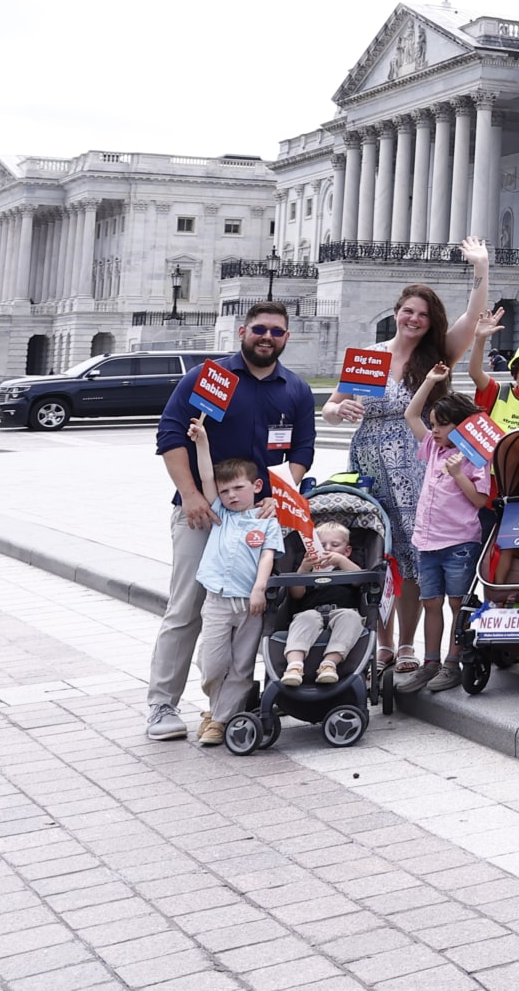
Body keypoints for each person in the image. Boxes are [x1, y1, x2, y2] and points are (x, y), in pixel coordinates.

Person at [146, 299, 318, 742]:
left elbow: (300, 450)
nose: (267, 337)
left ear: (286, 338)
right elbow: (170, 434)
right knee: (186, 610)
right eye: (260, 329)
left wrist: (280, 498)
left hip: (260, 522)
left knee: (254, 612)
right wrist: (190, 495)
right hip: (205, 516)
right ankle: (162, 704)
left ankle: (228, 706)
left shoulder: (294, 389)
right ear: (243, 331)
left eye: (276, 331)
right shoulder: (210, 377)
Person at [331, 241, 494, 684]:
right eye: (408, 311)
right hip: (369, 457)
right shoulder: (371, 354)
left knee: (412, 553)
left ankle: (407, 643)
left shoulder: (438, 354)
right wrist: (338, 411)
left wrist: (481, 270)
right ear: (397, 310)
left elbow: (471, 316)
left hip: (420, 459)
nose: (414, 320)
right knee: (376, 549)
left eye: (423, 314)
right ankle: (380, 644)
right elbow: (331, 406)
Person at [184, 423, 283, 747]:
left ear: (256, 486)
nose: (230, 495)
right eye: (226, 492)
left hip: (250, 606)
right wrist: (203, 442)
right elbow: (207, 478)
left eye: (238, 488)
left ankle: (220, 720)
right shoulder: (220, 514)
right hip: (217, 601)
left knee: (241, 666)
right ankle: (215, 708)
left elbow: (268, 556)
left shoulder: (266, 520)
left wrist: (259, 589)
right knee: (211, 663)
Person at [406, 366, 493, 692]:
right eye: (434, 425)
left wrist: (459, 475)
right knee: (431, 602)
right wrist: (429, 381)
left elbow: (481, 500)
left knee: (457, 602)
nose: (436, 430)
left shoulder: (474, 457)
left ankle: (453, 662)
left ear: (463, 425)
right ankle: (430, 661)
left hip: (459, 542)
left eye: (443, 424)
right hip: (426, 541)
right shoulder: (433, 447)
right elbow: (411, 415)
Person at [278, 523, 366, 688]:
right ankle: (294, 667)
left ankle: (329, 664)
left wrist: (341, 560)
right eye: (321, 545)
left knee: (351, 618)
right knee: (304, 620)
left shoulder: (348, 565)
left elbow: (359, 580)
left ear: (347, 550)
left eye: (335, 545)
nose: (327, 549)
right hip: (311, 611)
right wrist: (304, 568)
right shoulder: (307, 567)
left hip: (343, 610)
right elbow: (296, 594)